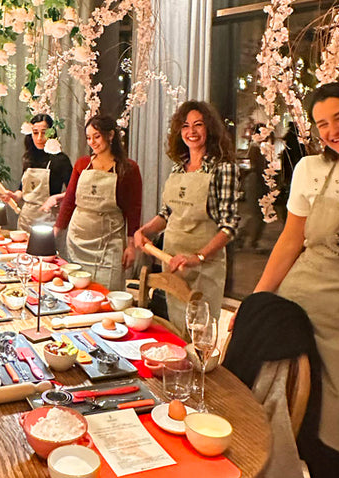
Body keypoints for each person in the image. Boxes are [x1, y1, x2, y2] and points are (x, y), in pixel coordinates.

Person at [133, 100, 240, 327]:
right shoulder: (178, 167)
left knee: (199, 328)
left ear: (209, 128)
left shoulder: (223, 168)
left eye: (198, 124)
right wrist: (144, 231)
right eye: (185, 126)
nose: (191, 131)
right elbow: (167, 214)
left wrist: (197, 257)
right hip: (172, 261)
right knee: (174, 324)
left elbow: (229, 226)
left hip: (204, 266)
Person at [55, 113, 142, 290]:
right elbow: (69, 201)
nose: (92, 142)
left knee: (107, 292)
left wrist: (131, 246)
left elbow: (133, 209)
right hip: (78, 241)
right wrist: (54, 233)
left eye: (97, 136)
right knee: (77, 291)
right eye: (88, 138)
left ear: (110, 135)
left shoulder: (128, 168)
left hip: (109, 244)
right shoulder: (82, 164)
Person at [5, 114, 73, 232]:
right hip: (26, 219)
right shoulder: (28, 158)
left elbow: (73, 191)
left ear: (51, 133)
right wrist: (15, 196)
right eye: (35, 133)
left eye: (44, 133)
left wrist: (57, 197)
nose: (39, 138)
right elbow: (22, 189)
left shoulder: (60, 160)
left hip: (48, 220)